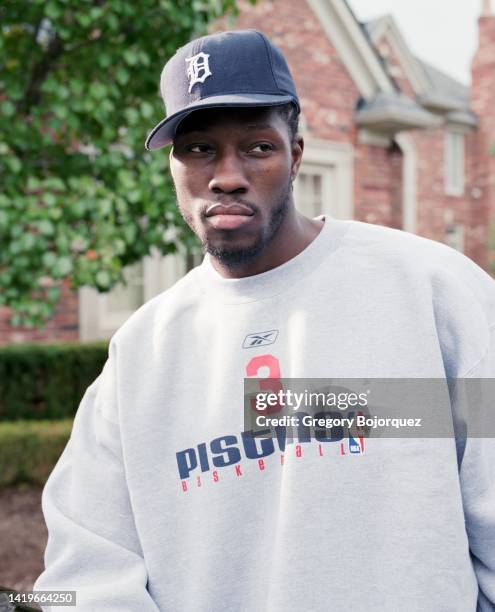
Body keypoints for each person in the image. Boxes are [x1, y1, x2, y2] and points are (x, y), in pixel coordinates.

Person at [34, 29, 495, 611]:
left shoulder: (431, 292)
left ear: (296, 152)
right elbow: (89, 570)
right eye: (199, 149)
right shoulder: (142, 354)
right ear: (173, 165)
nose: (226, 176)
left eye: (256, 147)